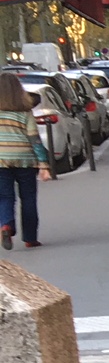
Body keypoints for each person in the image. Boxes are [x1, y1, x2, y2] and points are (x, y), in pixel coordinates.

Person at [0, 73, 53, 251]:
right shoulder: (25, 111)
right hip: (25, 159)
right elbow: (34, 139)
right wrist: (43, 165)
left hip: (1, 160)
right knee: (28, 198)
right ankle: (30, 238)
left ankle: (6, 225)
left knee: (5, 197)